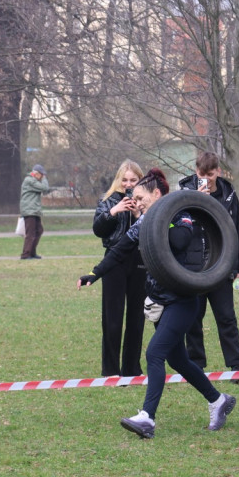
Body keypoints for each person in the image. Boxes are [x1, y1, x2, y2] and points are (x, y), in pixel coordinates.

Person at [78, 168, 237, 439]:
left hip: (183, 300)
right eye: (135, 199)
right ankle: (218, 399)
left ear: (156, 194)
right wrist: (95, 273)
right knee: (178, 359)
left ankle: (147, 418)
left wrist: (161, 220)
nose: (137, 203)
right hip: (160, 299)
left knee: (154, 353)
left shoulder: (181, 215)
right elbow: (120, 250)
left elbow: (180, 241)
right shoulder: (143, 222)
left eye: (141, 198)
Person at [178, 152, 239, 384]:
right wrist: (195, 200)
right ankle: (196, 366)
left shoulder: (229, 194)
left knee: (227, 317)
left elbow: (236, 230)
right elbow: (176, 224)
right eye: (202, 174)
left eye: (210, 174)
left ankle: (236, 366)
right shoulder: (184, 192)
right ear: (195, 171)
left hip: (222, 266)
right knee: (193, 319)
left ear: (218, 171)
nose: (206, 179)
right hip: (193, 268)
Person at [91, 160, 146, 376]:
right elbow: (98, 230)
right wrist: (114, 211)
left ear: (140, 181)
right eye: (124, 180)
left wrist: (138, 215)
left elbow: (152, 230)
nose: (128, 184)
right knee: (112, 319)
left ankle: (132, 368)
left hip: (139, 259)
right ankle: (111, 370)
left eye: (133, 180)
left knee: (136, 318)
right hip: (114, 260)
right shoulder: (108, 200)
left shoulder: (145, 202)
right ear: (118, 180)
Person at [19, 164, 49, 259]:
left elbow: (44, 189)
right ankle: (25, 254)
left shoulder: (34, 181)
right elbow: (45, 188)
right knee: (30, 233)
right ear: (36, 173)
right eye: (41, 174)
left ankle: (32, 252)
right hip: (29, 210)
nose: (42, 176)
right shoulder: (29, 180)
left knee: (39, 230)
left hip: (34, 210)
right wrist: (44, 179)